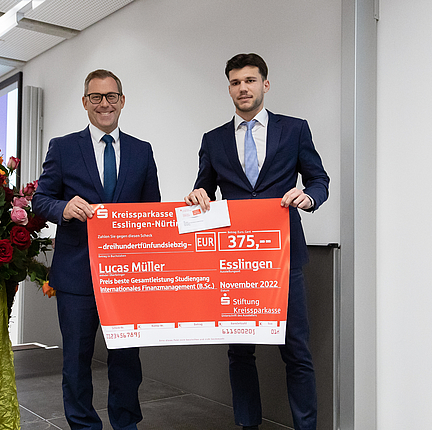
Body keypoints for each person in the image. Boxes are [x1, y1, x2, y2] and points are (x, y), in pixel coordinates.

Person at [184, 53, 329, 430]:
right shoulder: (213, 139)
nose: (242, 88)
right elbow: (204, 187)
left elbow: (319, 180)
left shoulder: (294, 130)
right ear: (229, 88)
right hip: (235, 261)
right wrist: (198, 194)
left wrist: (308, 197)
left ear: (265, 84)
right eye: (235, 82)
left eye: (249, 80)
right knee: (239, 352)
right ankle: (247, 425)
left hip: (285, 257)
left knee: (296, 351)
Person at [32, 69, 160, 430]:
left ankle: (126, 423)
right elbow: (41, 200)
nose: (104, 104)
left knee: (126, 361)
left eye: (111, 96)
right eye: (96, 97)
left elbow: (152, 210)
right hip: (77, 274)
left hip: (128, 276)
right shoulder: (63, 147)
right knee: (76, 360)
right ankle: (83, 425)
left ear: (122, 100)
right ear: (85, 102)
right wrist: (63, 208)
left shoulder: (142, 150)